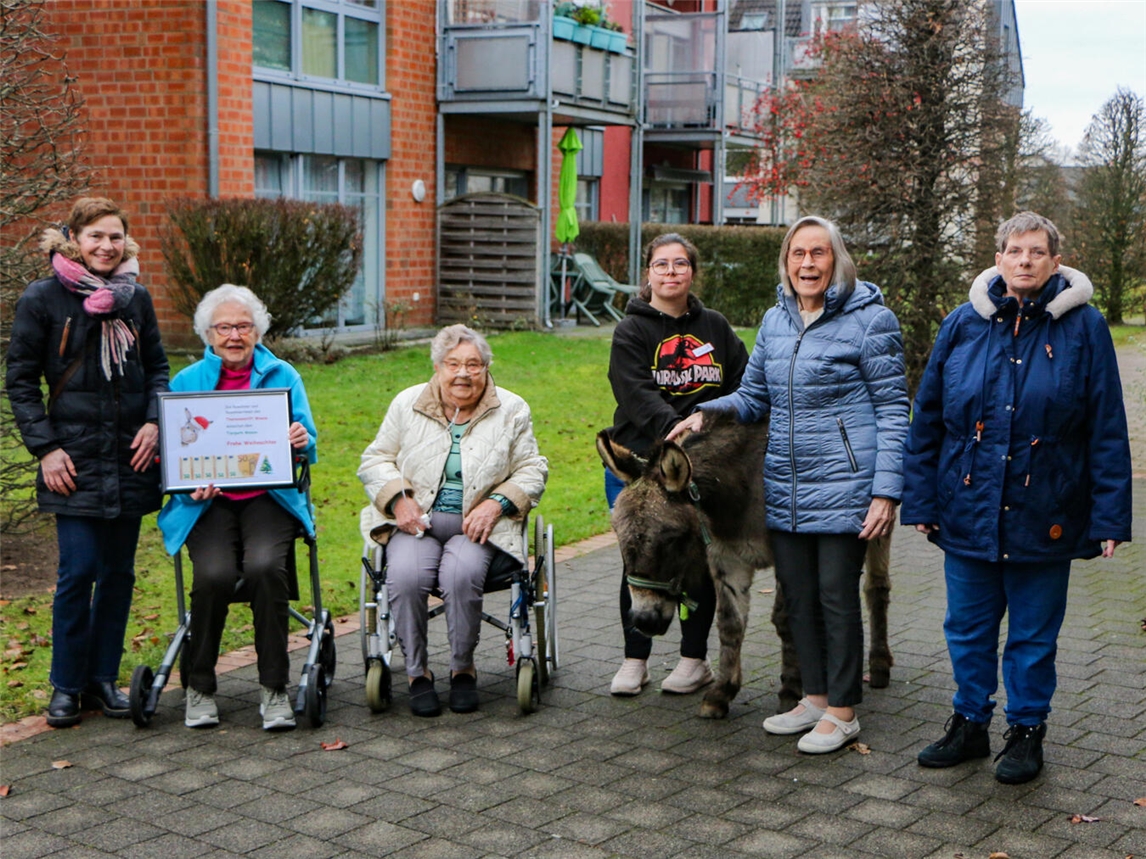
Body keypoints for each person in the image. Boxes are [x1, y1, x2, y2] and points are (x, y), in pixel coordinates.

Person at [901, 212, 1132, 784]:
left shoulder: (1085, 328)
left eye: (1036, 252)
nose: (1024, 261)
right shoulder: (961, 324)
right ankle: (969, 723)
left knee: (1033, 634)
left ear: (1056, 260)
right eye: (1014, 250)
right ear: (997, 258)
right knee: (968, 627)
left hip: (1047, 509)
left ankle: (1027, 732)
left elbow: (1106, 426)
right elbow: (927, 419)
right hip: (967, 507)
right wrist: (922, 501)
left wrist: (1110, 516)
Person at [671, 216, 909, 753]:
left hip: (848, 483)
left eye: (818, 254)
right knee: (798, 597)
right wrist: (705, 413)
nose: (808, 264)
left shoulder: (872, 321)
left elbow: (895, 410)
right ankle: (816, 698)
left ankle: (844, 710)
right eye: (798, 254)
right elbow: (754, 396)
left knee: (835, 598)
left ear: (837, 259)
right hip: (788, 483)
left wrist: (886, 491)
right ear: (785, 262)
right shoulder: (776, 321)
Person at [6, 197, 169, 728]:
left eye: (115, 237)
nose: (106, 246)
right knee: (77, 573)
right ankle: (66, 685)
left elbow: (158, 369)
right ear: (74, 238)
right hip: (71, 462)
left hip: (129, 457)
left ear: (126, 242)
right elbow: (21, 381)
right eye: (96, 236)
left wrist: (154, 421)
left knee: (118, 574)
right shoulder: (43, 299)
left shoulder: (135, 299)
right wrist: (46, 448)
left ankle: (102, 679)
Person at [358, 324, 548, 716]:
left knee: (460, 576)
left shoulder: (512, 409)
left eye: (473, 365)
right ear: (438, 367)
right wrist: (398, 500)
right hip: (416, 522)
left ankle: (463, 669)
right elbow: (375, 459)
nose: (463, 373)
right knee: (406, 577)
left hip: (477, 527)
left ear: (486, 368)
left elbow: (532, 469)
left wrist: (496, 503)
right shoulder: (407, 403)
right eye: (453, 364)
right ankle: (417, 674)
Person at [157, 285, 317, 731]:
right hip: (208, 504)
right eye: (224, 327)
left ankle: (274, 688)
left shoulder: (283, 374)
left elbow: (309, 444)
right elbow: (171, 456)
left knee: (266, 566)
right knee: (214, 575)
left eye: (243, 326)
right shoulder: (185, 382)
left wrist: (301, 441)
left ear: (257, 331)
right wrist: (190, 486)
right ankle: (200, 687)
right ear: (208, 334)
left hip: (268, 496)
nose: (234, 335)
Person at [605, 232, 749, 697]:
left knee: (702, 563)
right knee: (640, 558)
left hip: (702, 468)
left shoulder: (716, 327)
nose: (671, 272)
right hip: (643, 463)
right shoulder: (632, 331)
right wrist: (678, 428)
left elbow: (743, 382)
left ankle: (693, 660)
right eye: (661, 265)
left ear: (693, 271)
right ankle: (635, 659)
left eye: (680, 264)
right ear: (648, 273)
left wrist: (713, 426)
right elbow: (634, 392)